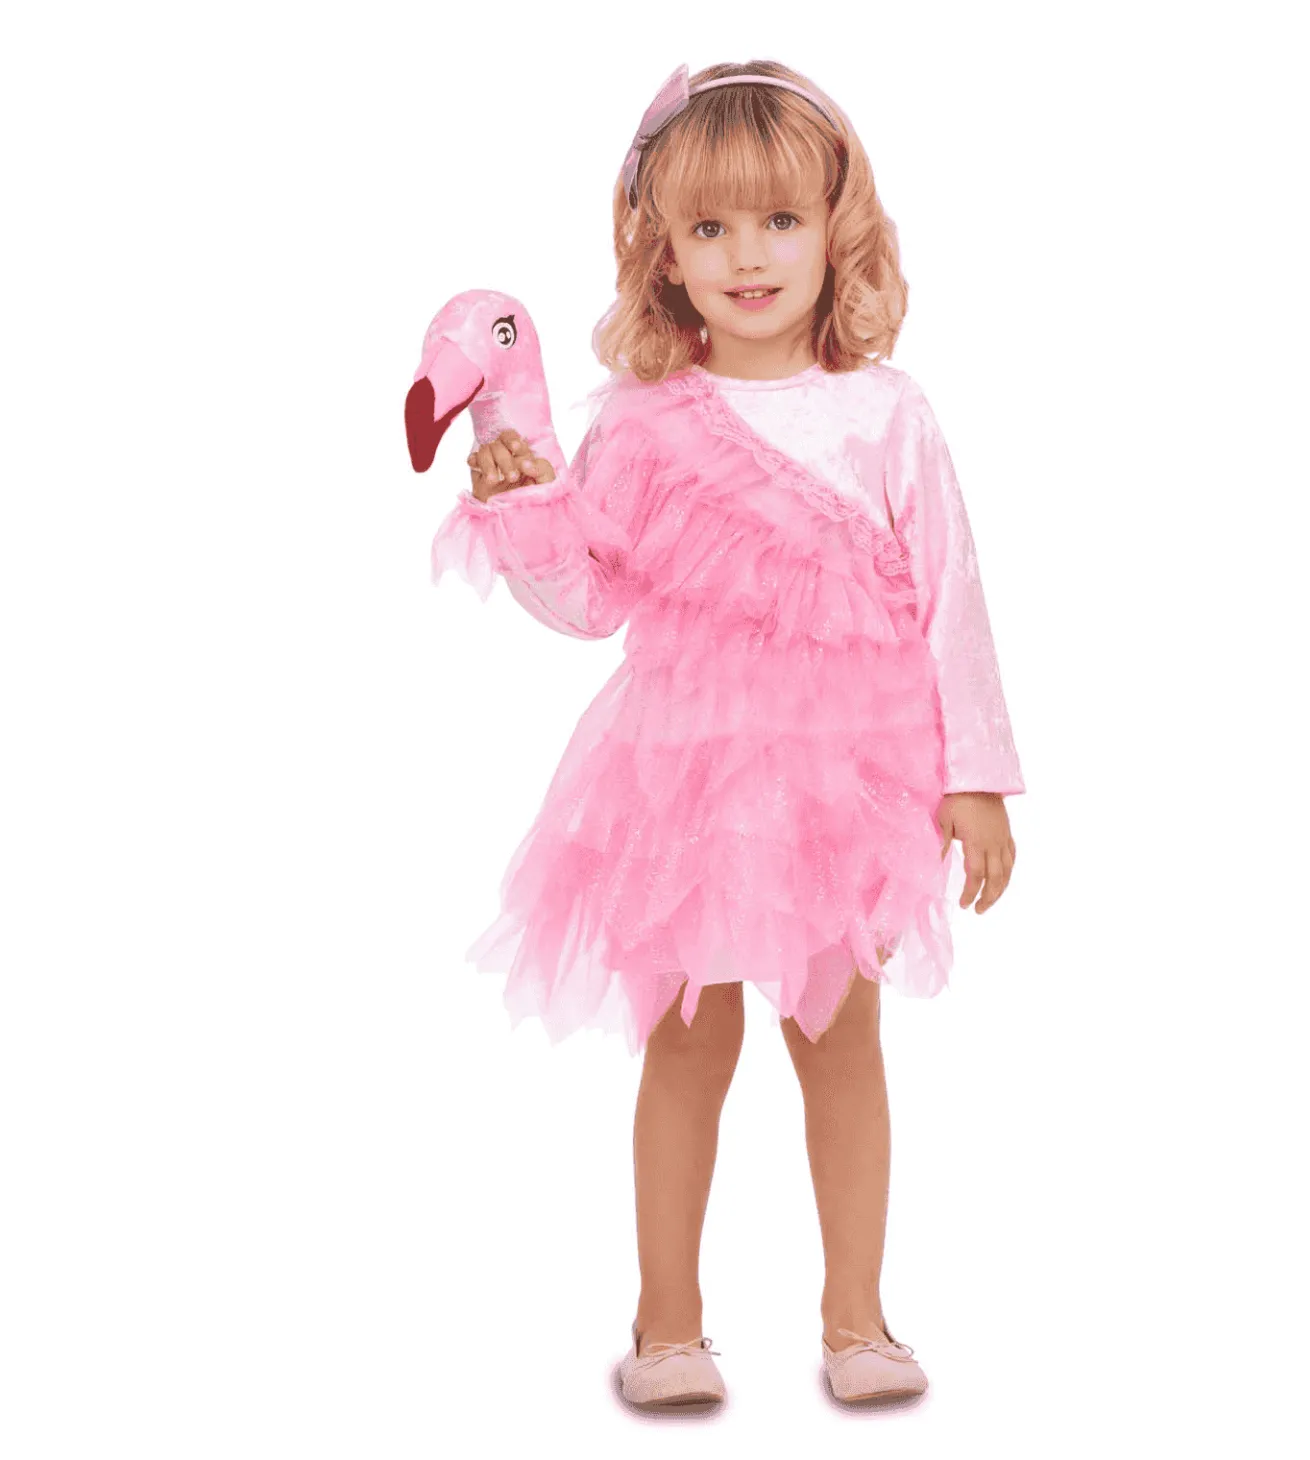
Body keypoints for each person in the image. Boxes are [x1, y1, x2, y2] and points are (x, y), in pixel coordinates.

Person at [429, 60, 1026, 1409]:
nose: (747, 256)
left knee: (840, 1040)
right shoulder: (644, 422)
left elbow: (954, 596)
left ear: (836, 227)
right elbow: (591, 603)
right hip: (687, 786)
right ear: (664, 251)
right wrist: (527, 507)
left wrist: (976, 779)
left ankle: (859, 1320)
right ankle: (667, 1328)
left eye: (779, 221)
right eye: (709, 228)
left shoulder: (887, 412)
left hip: (842, 788)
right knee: (689, 1044)